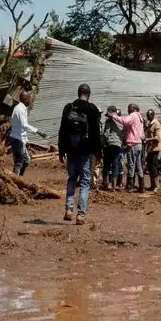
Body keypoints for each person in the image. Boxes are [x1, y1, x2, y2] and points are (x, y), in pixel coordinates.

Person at [58, 84, 102, 225]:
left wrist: (61, 150)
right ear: (88, 94)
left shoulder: (69, 107)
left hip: (71, 151)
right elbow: (96, 135)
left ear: (78, 93)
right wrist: (98, 153)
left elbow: (62, 131)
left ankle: (68, 210)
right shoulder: (92, 109)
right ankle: (80, 215)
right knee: (84, 182)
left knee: (71, 179)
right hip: (85, 152)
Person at [108, 103, 145, 192]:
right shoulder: (140, 117)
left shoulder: (133, 116)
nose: (128, 111)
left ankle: (130, 186)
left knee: (131, 165)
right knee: (139, 165)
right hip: (139, 143)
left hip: (132, 144)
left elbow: (124, 121)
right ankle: (141, 187)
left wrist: (114, 116)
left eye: (129, 109)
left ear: (133, 109)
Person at [9, 91, 47, 176]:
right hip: (17, 138)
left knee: (26, 160)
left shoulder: (22, 109)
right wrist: (38, 131)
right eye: (29, 99)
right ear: (26, 100)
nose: (31, 101)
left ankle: (19, 179)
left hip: (19, 138)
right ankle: (14, 180)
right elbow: (24, 126)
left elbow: (21, 128)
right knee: (19, 161)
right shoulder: (19, 109)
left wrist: (26, 140)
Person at [101, 105, 125, 190]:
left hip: (109, 145)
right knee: (116, 164)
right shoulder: (121, 121)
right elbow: (123, 133)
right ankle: (114, 186)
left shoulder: (108, 121)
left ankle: (106, 184)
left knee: (107, 164)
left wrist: (102, 143)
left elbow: (106, 134)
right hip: (118, 145)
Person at [143, 109, 161, 192]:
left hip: (155, 149)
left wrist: (147, 139)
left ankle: (157, 187)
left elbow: (157, 138)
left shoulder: (156, 124)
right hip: (150, 149)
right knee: (150, 167)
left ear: (152, 115)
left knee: (154, 167)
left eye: (149, 115)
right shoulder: (150, 124)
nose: (147, 116)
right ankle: (152, 186)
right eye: (147, 115)